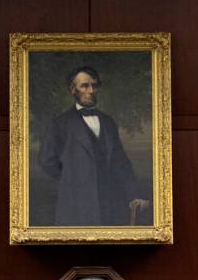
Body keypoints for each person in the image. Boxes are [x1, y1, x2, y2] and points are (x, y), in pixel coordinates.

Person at [38, 65, 150, 226]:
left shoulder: (108, 122)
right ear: (72, 90)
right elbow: (47, 161)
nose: (90, 90)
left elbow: (121, 162)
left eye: (94, 85)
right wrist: (73, 179)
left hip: (110, 201)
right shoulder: (60, 124)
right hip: (76, 204)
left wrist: (134, 194)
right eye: (84, 86)